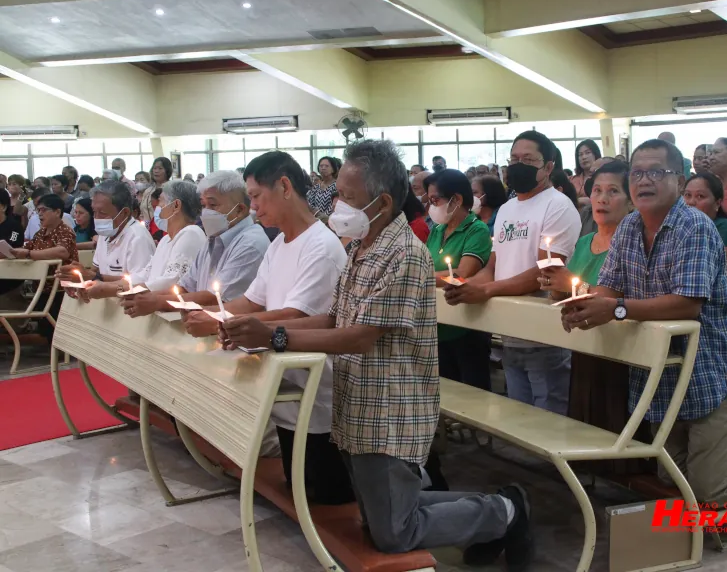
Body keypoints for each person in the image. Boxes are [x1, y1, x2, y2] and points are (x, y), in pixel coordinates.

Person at [221, 140, 534, 566]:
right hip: (357, 402)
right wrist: (259, 330)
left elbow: (360, 336)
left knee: (393, 533)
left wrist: (275, 337)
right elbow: (334, 318)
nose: (336, 206)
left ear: (382, 201)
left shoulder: (403, 254)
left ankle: (504, 513)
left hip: (390, 408)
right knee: (379, 517)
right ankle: (499, 505)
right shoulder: (361, 247)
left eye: (347, 197)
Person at [560, 139, 727, 511]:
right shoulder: (631, 226)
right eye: (637, 173)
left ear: (679, 182)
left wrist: (614, 309)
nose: (643, 180)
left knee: (712, 493)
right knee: (671, 475)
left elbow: (687, 304)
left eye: (656, 172)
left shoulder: (694, 228)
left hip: (706, 369)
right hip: (659, 370)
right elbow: (610, 286)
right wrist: (584, 303)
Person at [183, 152, 352, 505]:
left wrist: (226, 321)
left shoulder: (320, 246)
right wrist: (215, 316)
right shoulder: (279, 242)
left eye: (257, 196)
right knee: (297, 486)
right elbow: (252, 301)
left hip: (316, 387)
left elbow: (298, 314)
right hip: (284, 377)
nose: (254, 207)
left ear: (285, 186)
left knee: (324, 495)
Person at [444, 130, 581, 415]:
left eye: (528, 159)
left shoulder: (557, 205)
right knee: (520, 414)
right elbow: (493, 266)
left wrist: (486, 291)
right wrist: (465, 284)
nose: (519, 165)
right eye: (514, 158)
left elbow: (546, 272)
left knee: (549, 416)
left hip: (543, 331)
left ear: (549, 167)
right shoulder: (507, 209)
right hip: (509, 328)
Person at [541, 160, 634, 442]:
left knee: (612, 424)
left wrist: (574, 284)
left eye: (613, 191)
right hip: (583, 342)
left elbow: (621, 296)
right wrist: (554, 285)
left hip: (620, 345)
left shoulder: (632, 243)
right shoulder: (584, 242)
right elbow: (569, 289)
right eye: (596, 191)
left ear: (630, 202)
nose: (602, 199)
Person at [119, 170, 270, 318]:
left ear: (239, 210)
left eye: (213, 205)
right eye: (203, 205)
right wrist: (144, 297)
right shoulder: (214, 237)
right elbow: (185, 287)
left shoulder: (250, 243)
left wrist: (157, 301)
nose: (205, 212)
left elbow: (216, 298)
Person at [424, 169, 493, 390]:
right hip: (438, 321)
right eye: (429, 200)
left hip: (467, 324)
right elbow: (426, 264)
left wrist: (421, 277)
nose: (432, 206)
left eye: (436, 200)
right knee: (445, 389)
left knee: (473, 391)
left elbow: (461, 274)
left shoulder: (476, 230)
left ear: (457, 199)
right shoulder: (438, 230)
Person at [57, 180, 156, 301]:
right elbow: (96, 270)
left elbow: (140, 283)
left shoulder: (138, 238)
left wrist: (94, 277)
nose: (97, 218)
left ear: (124, 212)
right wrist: (79, 280)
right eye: (94, 212)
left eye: (103, 213)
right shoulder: (106, 233)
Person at [10, 193, 79, 340]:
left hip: (62, 288)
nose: (39, 214)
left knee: (53, 327)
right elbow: (28, 246)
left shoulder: (64, 230)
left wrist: (29, 254)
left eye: (43, 210)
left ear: (57, 212)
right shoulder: (40, 232)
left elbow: (63, 251)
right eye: (37, 210)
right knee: (43, 326)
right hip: (43, 286)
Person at [119, 180, 205, 297]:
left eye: (160, 201)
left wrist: (130, 289)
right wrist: (119, 286)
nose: (156, 208)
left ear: (176, 206)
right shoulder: (166, 239)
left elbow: (171, 281)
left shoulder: (191, 233)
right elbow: (147, 273)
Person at [683, 172, 727, 247]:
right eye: (687, 195)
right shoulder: (679, 226)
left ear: (717, 203)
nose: (691, 202)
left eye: (700, 196)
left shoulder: (726, 227)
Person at [140, 157, 174, 236]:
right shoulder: (148, 190)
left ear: (167, 170)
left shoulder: (171, 188)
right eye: (154, 168)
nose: (156, 171)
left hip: (163, 231)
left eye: (160, 168)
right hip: (146, 230)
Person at [570, 139, 601, 204]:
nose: (584, 157)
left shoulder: (603, 178)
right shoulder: (572, 180)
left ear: (595, 154)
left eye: (587, 153)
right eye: (580, 154)